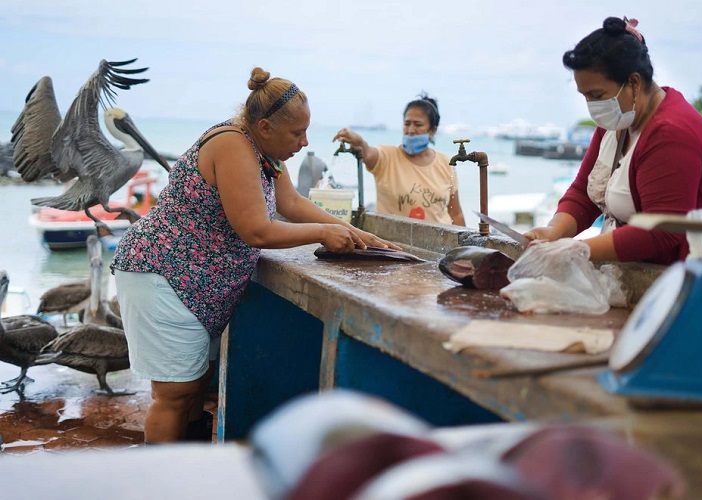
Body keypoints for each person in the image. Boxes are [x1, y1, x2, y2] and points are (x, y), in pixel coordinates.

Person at [110, 67, 399, 444]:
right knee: (174, 395)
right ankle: (160, 482)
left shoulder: (264, 152)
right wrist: (324, 234)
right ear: (265, 127)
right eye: (297, 133)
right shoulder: (233, 145)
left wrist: (358, 234)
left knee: (195, 389)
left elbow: (291, 203)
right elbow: (256, 230)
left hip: (196, 283)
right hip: (163, 274)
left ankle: (188, 476)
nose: (304, 141)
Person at [525, 17, 702, 265]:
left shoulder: (671, 134)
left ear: (633, 82)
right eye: (585, 96)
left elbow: (660, 232)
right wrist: (554, 232)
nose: (592, 105)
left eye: (597, 95)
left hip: (693, 276)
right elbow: (583, 194)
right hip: (637, 269)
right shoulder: (619, 120)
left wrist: (575, 250)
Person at [332, 94, 466, 226]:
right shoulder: (387, 157)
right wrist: (359, 141)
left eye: (418, 125)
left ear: (432, 131)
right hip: (395, 242)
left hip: (438, 245)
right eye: (407, 124)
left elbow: (455, 214)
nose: (411, 130)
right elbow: (366, 152)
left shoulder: (445, 163)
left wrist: (468, 245)